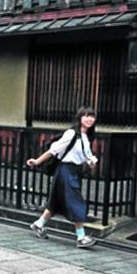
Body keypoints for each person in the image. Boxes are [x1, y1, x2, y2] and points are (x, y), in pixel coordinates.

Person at [26, 106, 99, 248]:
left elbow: (87, 157)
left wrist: (91, 163)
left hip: (74, 171)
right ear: (79, 118)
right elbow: (53, 150)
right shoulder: (71, 134)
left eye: (92, 116)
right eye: (86, 116)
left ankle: (38, 224)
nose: (89, 119)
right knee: (76, 202)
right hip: (65, 170)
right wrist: (37, 161)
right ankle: (81, 237)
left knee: (56, 202)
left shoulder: (86, 137)